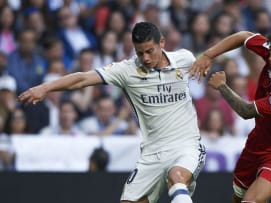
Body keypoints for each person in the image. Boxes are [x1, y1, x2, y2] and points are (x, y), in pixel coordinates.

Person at [19, 22, 206, 203]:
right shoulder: (125, 70)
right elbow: (82, 79)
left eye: (150, 51)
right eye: (140, 53)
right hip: (153, 153)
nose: (146, 58)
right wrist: (46, 87)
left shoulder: (184, 59)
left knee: (177, 177)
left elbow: (219, 50)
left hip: (186, 144)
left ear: (162, 43)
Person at [189, 21, 271, 203]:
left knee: (251, 201)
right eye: (270, 51)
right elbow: (243, 36)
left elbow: (247, 111)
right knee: (238, 198)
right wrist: (208, 55)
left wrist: (222, 87)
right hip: (257, 141)